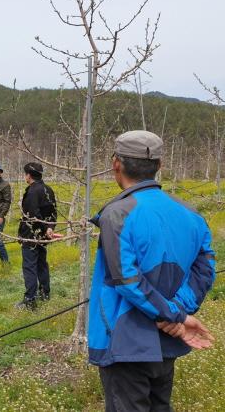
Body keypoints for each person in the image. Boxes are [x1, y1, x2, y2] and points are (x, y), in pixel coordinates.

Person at [89, 130, 215, 412]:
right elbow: (206, 269)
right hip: (167, 341)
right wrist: (177, 314)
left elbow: (127, 279)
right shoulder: (192, 214)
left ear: (115, 164)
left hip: (126, 341)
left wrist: (173, 315)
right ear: (159, 166)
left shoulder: (117, 214)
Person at [15, 162, 57, 311]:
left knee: (30, 266)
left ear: (29, 175)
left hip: (31, 235)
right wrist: (50, 229)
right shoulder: (48, 190)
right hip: (44, 236)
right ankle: (45, 292)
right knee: (41, 264)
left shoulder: (32, 191)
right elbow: (53, 213)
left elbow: (33, 216)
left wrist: (45, 229)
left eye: (25, 174)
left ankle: (30, 299)